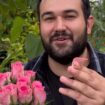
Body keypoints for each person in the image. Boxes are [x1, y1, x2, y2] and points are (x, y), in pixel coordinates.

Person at [25, 0, 105, 105]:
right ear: (40, 27)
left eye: (69, 16)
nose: (59, 27)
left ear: (88, 25)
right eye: (49, 18)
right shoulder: (20, 79)